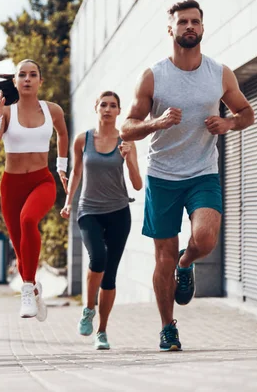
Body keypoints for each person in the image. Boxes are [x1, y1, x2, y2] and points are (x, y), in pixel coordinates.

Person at [120, 0, 255, 351]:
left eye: (195, 21)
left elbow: (246, 113)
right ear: (171, 30)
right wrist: (156, 122)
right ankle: (168, 327)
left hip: (202, 172)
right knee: (161, 257)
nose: (189, 27)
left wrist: (228, 123)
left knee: (206, 238)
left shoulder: (220, 73)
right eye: (183, 22)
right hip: (163, 176)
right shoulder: (153, 76)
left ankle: (187, 261)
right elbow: (127, 128)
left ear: (202, 28)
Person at [0, 59, 69, 321]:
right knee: (20, 248)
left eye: (33, 74)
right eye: (22, 74)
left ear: (39, 81)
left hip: (42, 181)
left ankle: (25, 289)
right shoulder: (7, 111)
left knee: (28, 220)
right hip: (12, 186)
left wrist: (61, 167)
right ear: (15, 81)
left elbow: (63, 135)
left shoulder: (53, 110)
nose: (27, 79)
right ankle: (34, 289)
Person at [61, 91, 142, 350]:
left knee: (110, 276)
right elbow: (76, 173)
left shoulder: (126, 141)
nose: (108, 109)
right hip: (89, 210)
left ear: (119, 111)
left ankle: (102, 332)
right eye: (103, 105)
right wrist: (68, 202)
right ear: (96, 108)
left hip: (119, 212)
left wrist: (128, 159)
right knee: (98, 258)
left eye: (113, 106)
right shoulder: (82, 140)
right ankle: (88, 309)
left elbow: (138, 185)